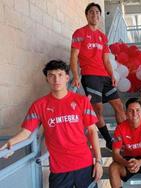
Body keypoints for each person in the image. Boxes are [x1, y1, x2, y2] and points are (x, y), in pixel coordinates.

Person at [0, 60, 103, 188]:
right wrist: (11, 143)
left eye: (60, 75)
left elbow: (92, 131)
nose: (56, 79)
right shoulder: (39, 105)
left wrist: (98, 161)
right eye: (51, 75)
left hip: (85, 164)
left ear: (67, 78)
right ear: (47, 79)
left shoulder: (81, 101)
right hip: (59, 168)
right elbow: (26, 132)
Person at [70, 2, 126, 150]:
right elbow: (74, 56)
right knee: (98, 110)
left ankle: (123, 138)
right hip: (90, 76)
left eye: (97, 13)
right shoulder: (79, 33)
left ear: (100, 16)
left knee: (119, 107)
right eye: (91, 12)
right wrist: (76, 76)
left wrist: (112, 74)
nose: (94, 15)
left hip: (105, 77)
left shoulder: (102, 36)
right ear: (87, 15)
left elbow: (106, 59)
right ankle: (109, 140)